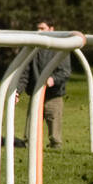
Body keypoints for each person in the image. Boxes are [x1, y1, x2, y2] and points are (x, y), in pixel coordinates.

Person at [15, 20, 71, 149]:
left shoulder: (60, 48)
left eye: (42, 28)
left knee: (55, 138)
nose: (39, 31)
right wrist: (17, 91)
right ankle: (29, 149)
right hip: (36, 95)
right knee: (29, 134)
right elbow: (24, 73)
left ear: (51, 29)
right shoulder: (33, 49)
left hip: (54, 96)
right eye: (37, 28)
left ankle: (56, 151)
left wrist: (53, 79)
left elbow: (65, 72)